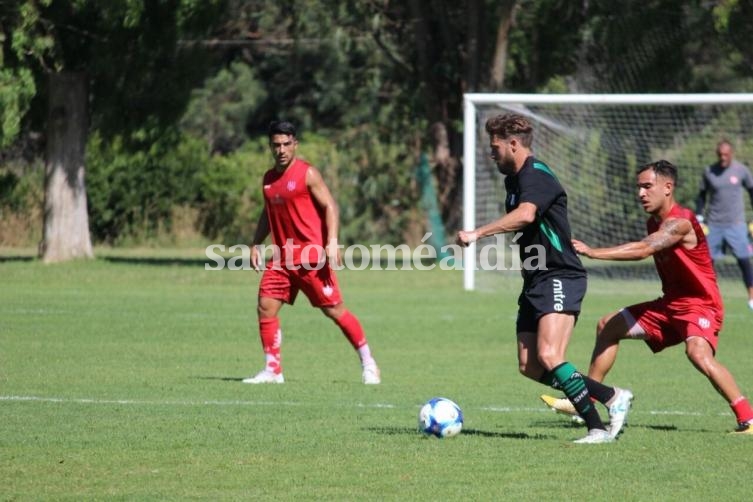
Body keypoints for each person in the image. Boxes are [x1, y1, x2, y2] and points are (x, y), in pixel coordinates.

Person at [456, 113, 632, 444]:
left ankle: (596, 427)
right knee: (530, 365)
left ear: (513, 144)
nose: (491, 154)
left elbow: (526, 215)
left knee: (551, 355)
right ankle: (612, 396)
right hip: (536, 280)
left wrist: (477, 233)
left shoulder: (535, 176)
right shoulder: (515, 181)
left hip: (559, 275)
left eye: (495, 147)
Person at [542, 160, 753, 434]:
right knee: (608, 325)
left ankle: (747, 418)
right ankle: (588, 399)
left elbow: (643, 249)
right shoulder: (653, 220)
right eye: (638, 187)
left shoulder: (682, 222)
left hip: (700, 305)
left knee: (697, 354)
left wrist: (594, 252)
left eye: (646, 186)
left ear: (668, 187)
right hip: (669, 305)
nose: (640, 193)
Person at [243, 120, 380, 385]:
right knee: (265, 308)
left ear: (295, 144)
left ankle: (369, 363)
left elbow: (330, 206)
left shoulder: (308, 174)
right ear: (270, 146)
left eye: (286, 144)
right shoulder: (269, 179)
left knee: (335, 311)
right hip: (282, 259)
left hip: (311, 258)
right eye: (276, 145)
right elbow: (267, 212)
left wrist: (332, 241)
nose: (281, 149)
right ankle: (273, 370)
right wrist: (255, 243)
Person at [695, 140, 753, 310]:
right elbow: (701, 195)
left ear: (731, 153)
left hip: (736, 224)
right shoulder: (709, 172)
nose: (723, 158)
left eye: (726, 155)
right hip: (714, 224)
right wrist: (699, 215)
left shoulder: (741, 170)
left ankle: (751, 296)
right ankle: (708, 298)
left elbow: (751, 191)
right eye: (720, 155)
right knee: (708, 263)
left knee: (744, 260)